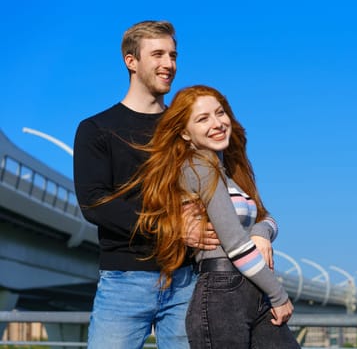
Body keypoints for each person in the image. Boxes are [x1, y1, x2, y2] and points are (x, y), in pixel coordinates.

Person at [103, 85, 301, 348]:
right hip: (222, 293)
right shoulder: (199, 168)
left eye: (220, 113)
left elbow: (266, 217)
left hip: (251, 289)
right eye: (203, 119)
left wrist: (261, 233)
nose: (217, 123)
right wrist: (278, 294)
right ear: (185, 133)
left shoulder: (229, 172)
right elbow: (235, 243)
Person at [73, 21, 220, 349]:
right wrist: (174, 227)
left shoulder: (188, 130)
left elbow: (229, 189)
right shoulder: (97, 129)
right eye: (158, 54)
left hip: (187, 281)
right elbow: (95, 203)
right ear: (131, 61)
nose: (169, 64)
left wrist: (260, 232)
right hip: (124, 282)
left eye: (173, 55)